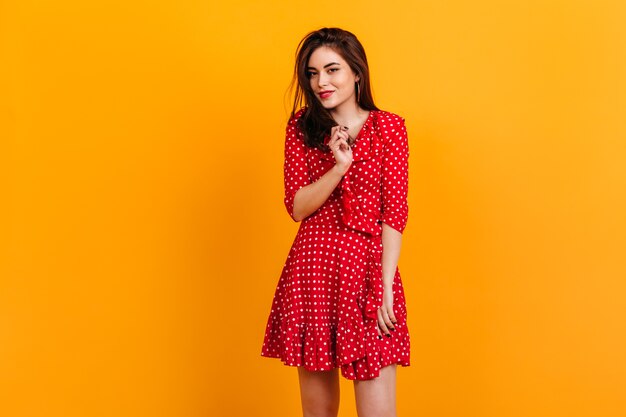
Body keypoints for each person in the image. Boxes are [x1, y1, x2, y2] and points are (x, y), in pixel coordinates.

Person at [260, 27, 411, 417]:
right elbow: (297, 207)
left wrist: (387, 286)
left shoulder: (389, 128)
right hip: (314, 270)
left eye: (332, 70)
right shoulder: (301, 128)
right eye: (312, 73)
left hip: (368, 270)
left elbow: (394, 214)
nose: (321, 82)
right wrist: (338, 167)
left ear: (356, 72)